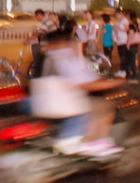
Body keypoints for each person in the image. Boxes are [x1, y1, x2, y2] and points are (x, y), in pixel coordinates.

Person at [29, 27, 120, 157]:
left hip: (40, 103)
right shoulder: (68, 58)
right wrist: (114, 82)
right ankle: (93, 142)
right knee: (104, 106)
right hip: (63, 105)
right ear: (64, 42)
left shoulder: (44, 57)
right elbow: (86, 84)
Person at [113, 10, 130, 79]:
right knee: (121, 56)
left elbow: (126, 29)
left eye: (117, 15)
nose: (116, 16)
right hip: (119, 41)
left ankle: (125, 71)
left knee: (124, 57)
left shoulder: (125, 21)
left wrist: (117, 29)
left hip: (123, 40)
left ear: (121, 14)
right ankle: (122, 70)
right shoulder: (119, 21)